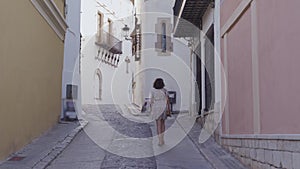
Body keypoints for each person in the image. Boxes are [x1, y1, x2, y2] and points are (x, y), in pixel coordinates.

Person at [150, 78, 170, 146]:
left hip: (156, 107)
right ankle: (163, 138)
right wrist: (168, 109)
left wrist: (151, 110)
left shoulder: (153, 91)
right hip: (163, 107)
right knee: (163, 123)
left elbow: (151, 101)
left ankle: (160, 140)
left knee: (158, 124)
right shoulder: (165, 90)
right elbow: (167, 100)